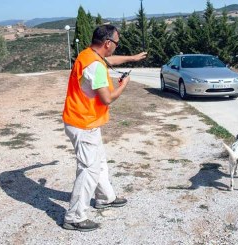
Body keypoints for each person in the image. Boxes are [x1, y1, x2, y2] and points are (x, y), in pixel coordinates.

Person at [62, 24, 147, 232]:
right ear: (107, 43)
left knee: (98, 162)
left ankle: (105, 198)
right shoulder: (96, 67)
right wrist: (123, 86)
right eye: (116, 43)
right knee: (89, 169)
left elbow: (109, 60)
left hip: (84, 121)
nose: (117, 48)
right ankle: (74, 217)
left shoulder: (88, 55)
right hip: (84, 124)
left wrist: (133, 58)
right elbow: (107, 98)